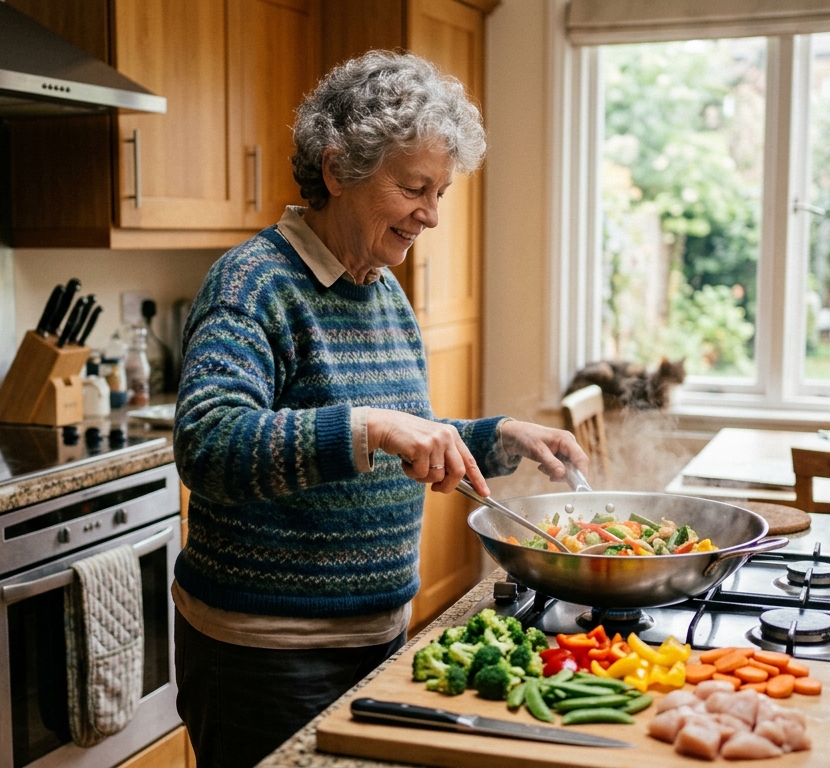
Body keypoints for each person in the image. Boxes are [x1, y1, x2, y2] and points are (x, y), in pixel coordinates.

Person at [171, 50, 589, 768]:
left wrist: (502, 436)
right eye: (413, 188)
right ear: (338, 171)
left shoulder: (381, 288)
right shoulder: (253, 282)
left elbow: (403, 434)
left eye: (440, 193)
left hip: (376, 637)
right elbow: (209, 446)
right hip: (267, 657)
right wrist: (367, 426)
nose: (428, 215)